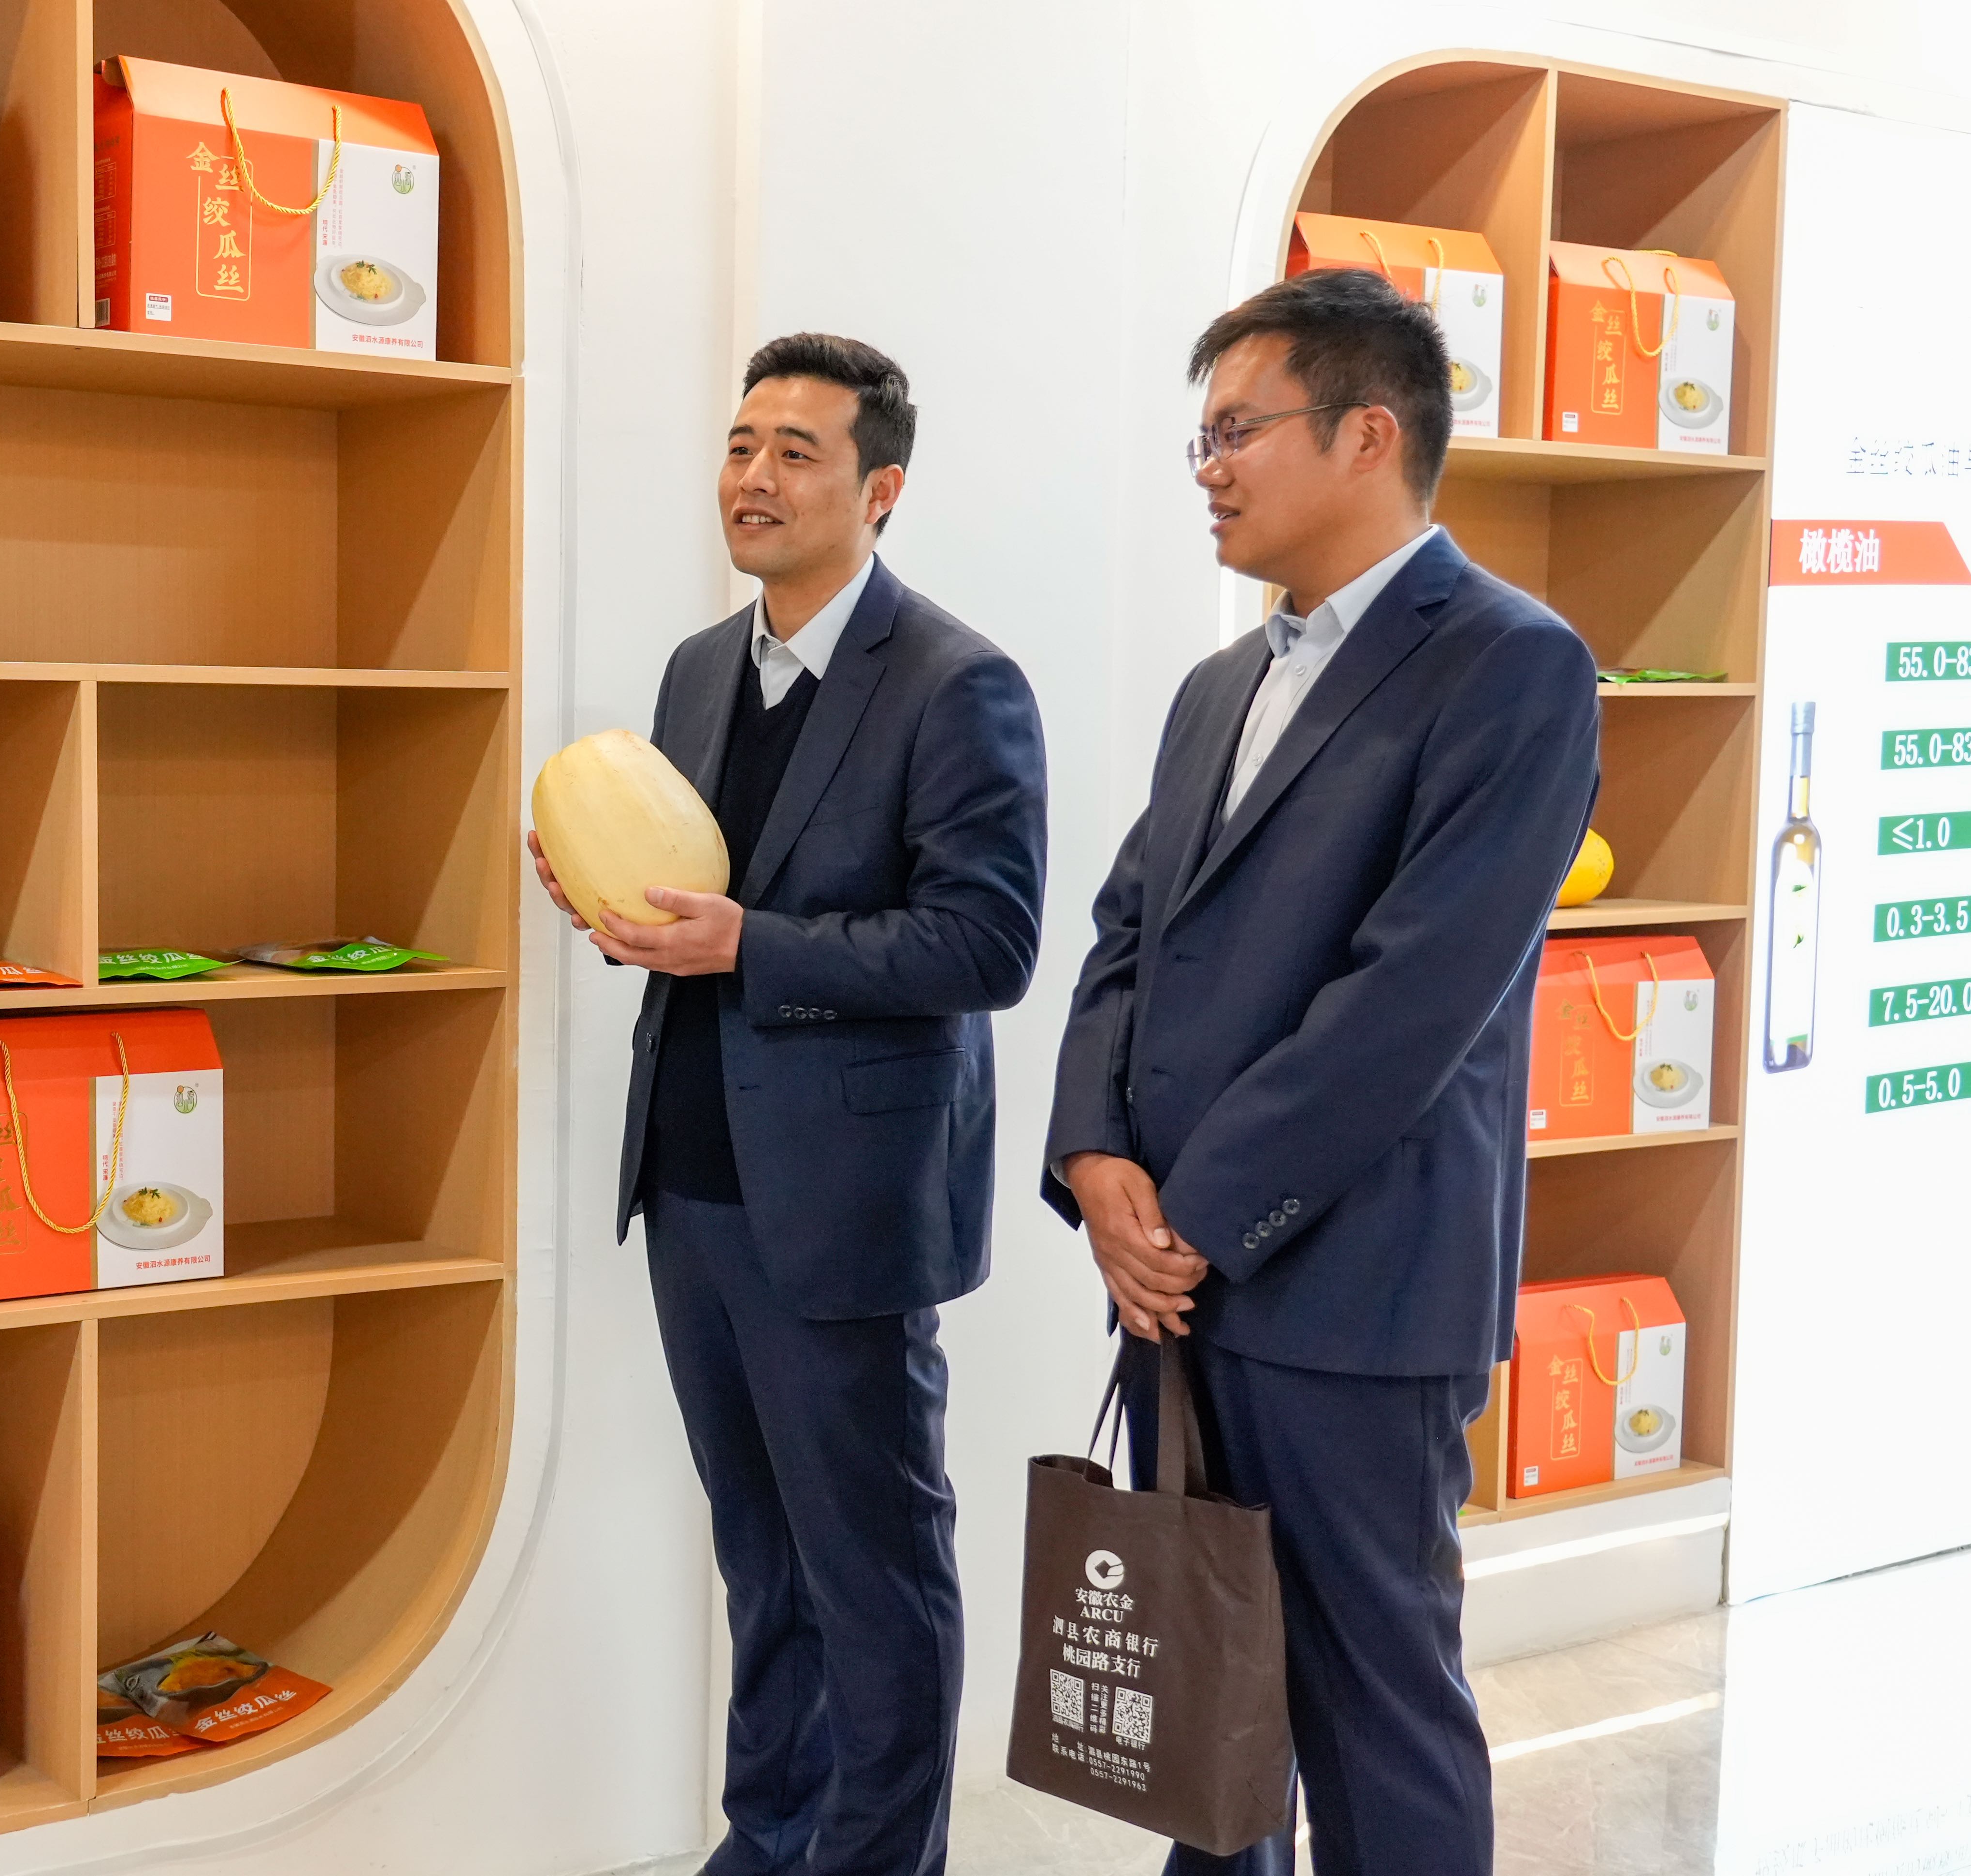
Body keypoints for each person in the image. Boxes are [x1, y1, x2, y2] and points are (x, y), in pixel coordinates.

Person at [1044, 267, 1599, 1875]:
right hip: (1175, 1282)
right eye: (1201, 438)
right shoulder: (1218, 684)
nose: (1208, 468)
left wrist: (1192, 1216)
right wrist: (1093, 1158)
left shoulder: (1510, 663)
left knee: (1371, 1709)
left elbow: (1410, 1001)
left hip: (1351, 1289)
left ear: (1367, 434)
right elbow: (1125, 936)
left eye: (1238, 431)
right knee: (1205, 1710)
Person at [532, 333, 1047, 1874]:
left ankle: (877, 1858)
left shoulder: (958, 682)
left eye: (795, 453)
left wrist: (748, 943)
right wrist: (618, 910)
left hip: (846, 1205)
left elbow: (987, 944)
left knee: (872, 1569)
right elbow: (692, 891)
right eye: (740, 445)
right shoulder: (699, 668)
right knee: (759, 1557)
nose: (752, 478)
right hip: (692, 1180)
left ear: (878, 491)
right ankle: (767, 1840)